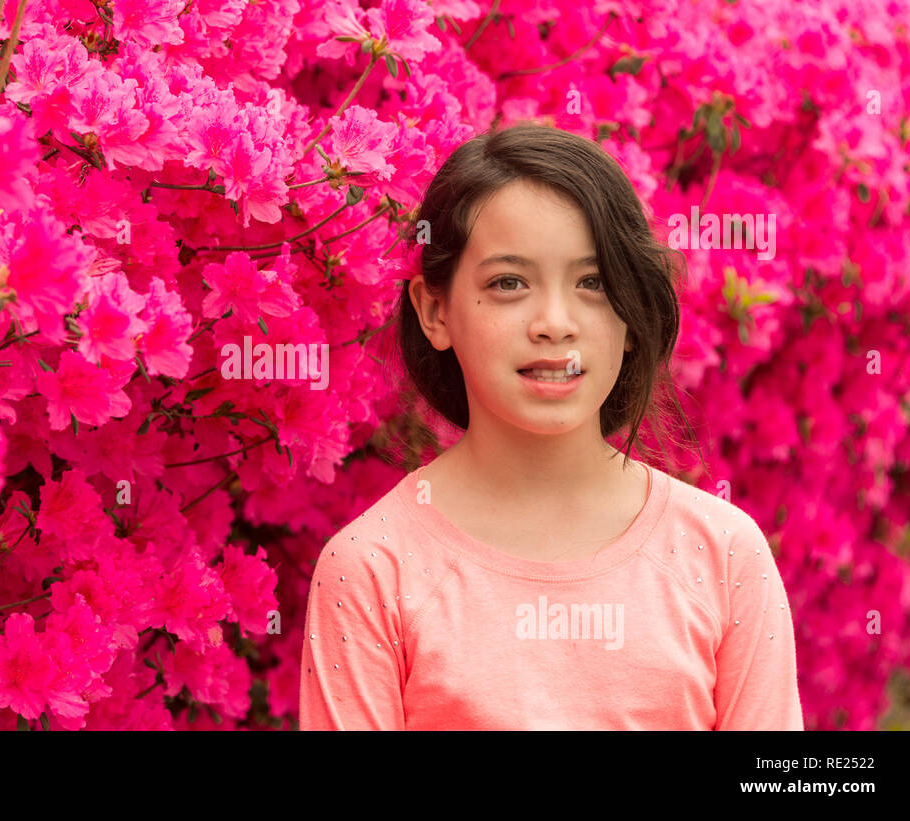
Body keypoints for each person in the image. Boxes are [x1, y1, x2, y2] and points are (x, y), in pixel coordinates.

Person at [298, 122, 803, 730]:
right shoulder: (373, 569)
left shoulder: (722, 554)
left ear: (631, 310)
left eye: (592, 283)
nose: (555, 323)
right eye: (509, 283)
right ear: (435, 310)